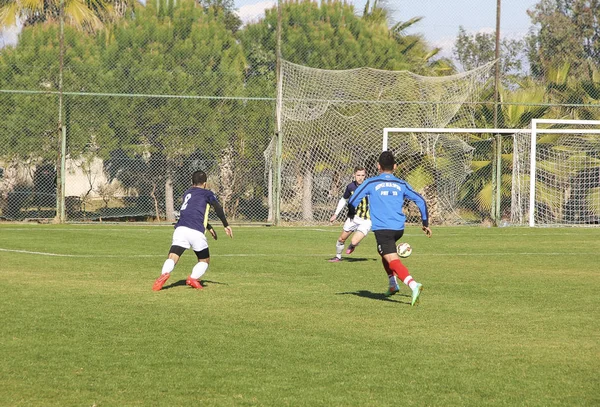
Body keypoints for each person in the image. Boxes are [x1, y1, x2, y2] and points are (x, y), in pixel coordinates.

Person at [348, 151, 432, 306]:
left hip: (383, 229)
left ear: (378, 166)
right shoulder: (402, 184)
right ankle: (392, 284)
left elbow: (352, 200)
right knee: (383, 253)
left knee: (392, 260)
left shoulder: (371, 183)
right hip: (398, 228)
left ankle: (414, 285)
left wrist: (352, 214)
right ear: (395, 166)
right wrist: (425, 223)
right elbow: (421, 201)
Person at [152, 170, 233, 291]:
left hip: (181, 229)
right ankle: (193, 278)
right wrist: (225, 225)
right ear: (205, 183)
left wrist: (209, 227)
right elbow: (217, 207)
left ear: (192, 182)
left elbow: (192, 213)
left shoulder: (187, 193)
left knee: (172, 257)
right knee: (204, 260)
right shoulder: (207, 193)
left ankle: (164, 274)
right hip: (196, 232)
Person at [328, 166, 371, 262]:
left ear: (365, 175)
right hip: (353, 218)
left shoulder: (369, 187)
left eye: (363, 175)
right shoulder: (350, 187)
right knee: (341, 239)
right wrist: (336, 214)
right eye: (358, 175)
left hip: (367, 220)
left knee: (354, 241)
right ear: (354, 175)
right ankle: (338, 256)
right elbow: (343, 199)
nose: (360, 177)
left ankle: (353, 245)